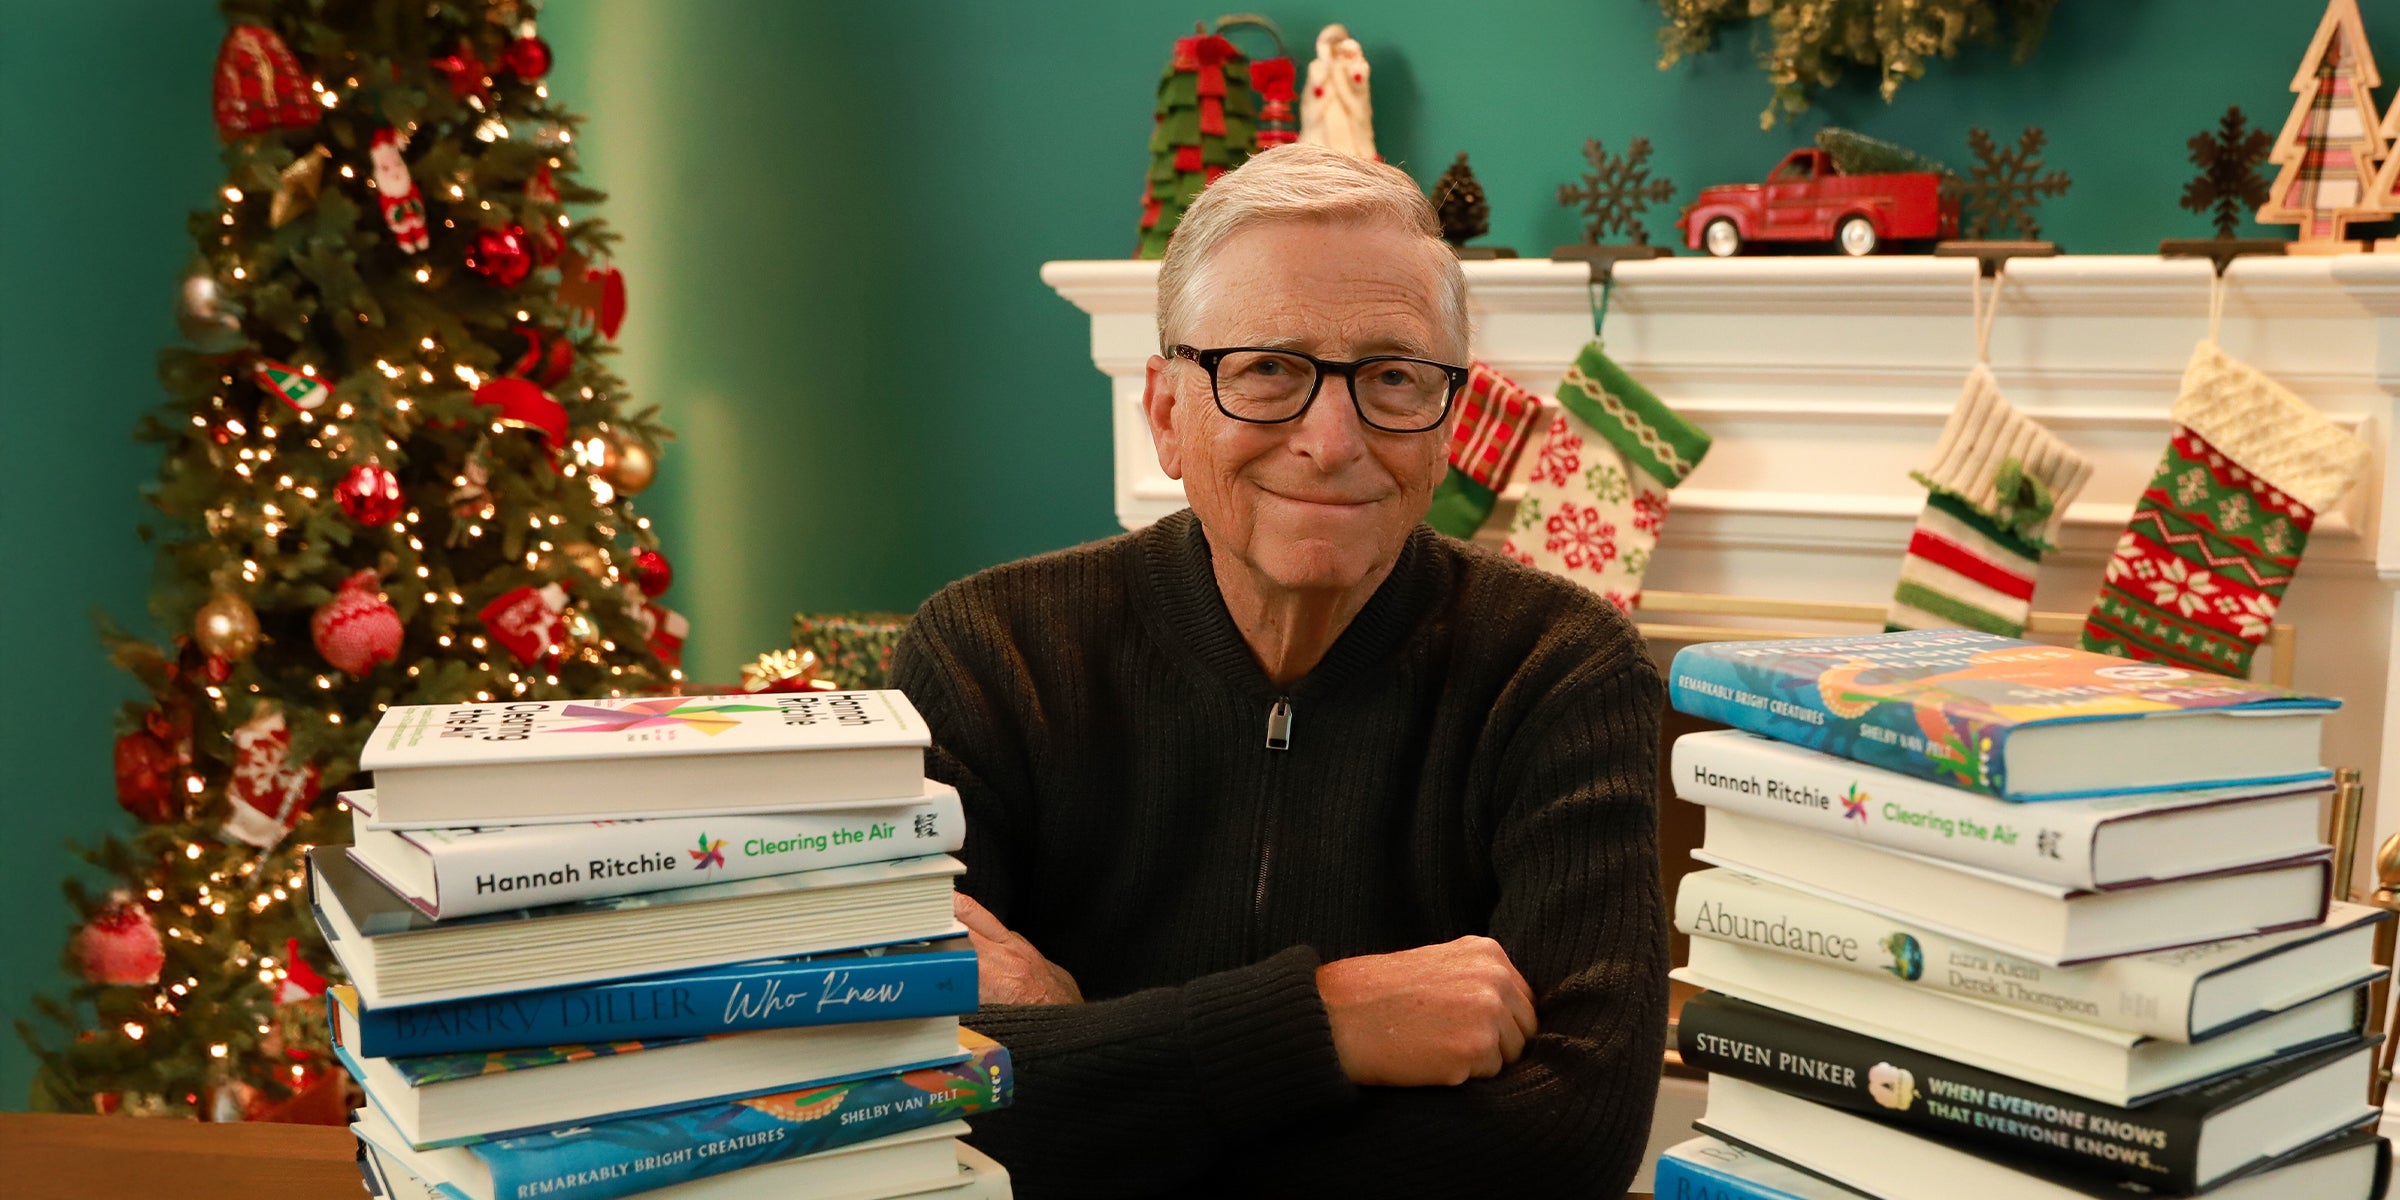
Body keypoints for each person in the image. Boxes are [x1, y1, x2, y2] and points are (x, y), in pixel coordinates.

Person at [889, 142, 1666, 1198]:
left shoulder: (1561, 669)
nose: (1332, 438)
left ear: (1448, 425)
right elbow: (910, 1094)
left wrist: (1096, 1058)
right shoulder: (990, 653)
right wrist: (1327, 1025)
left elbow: (1569, 1144)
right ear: (1167, 413)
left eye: (1393, 377)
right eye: (1267, 371)